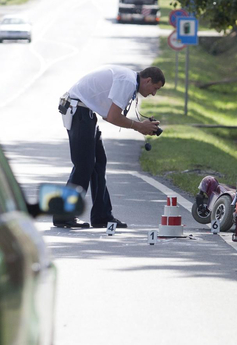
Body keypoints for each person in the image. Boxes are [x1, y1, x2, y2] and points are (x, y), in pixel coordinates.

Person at [53, 65, 165, 229]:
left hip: (85, 113)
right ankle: (63, 215)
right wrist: (139, 127)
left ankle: (102, 216)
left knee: (98, 164)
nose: (154, 93)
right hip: (79, 112)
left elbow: (110, 115)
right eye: (155, 88)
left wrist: (139, 125)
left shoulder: (129, 81)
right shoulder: (127, 81)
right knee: (84, 165)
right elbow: (113, 117)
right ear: (148, 80)